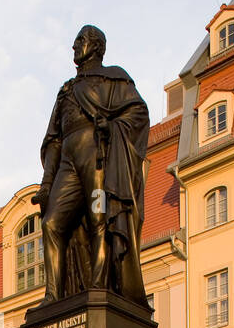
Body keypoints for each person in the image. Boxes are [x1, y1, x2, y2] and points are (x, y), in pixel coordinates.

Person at [37, 24, 151, 305]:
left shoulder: (114, 78)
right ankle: (52, 295)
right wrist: (47, 183)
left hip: (97, 157)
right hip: (68, 161)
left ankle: (99, 288)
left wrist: (112, 126)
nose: (74, 46)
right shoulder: (66, 91)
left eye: (81, 40)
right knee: (51, 223)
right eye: (75, 41)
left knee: (99, 218)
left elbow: (138, 113)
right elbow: (53, 139)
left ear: (96, 46)